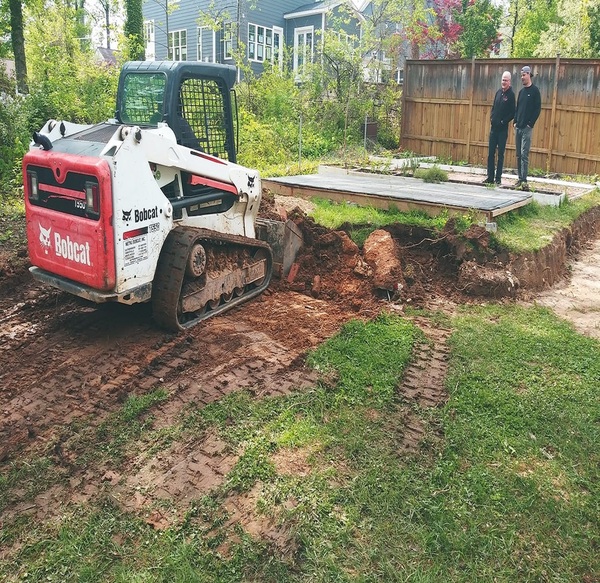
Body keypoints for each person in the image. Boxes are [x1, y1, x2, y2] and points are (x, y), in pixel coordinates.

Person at [483, 71, 515, 185]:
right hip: (494, 129)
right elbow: (493, 107)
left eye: (506, 80)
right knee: (490, 154)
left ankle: (498, 178)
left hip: (502, 130)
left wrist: (503, 121)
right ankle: (490, 177)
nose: (503, 82)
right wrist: (492, 117)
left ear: (509, 82)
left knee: (500, 154)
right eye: (502, 80)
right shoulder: (498, 92)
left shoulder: (511, 95)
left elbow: (512, 113)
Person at [513, 66, 542, 191]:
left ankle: (524, 180)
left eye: (523, 75)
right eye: (521, 75)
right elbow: (517, 108)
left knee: (524, 154)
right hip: (518, 127)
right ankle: (520, 178)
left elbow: (537, 109)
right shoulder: (521, 92)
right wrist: (515, 121)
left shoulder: (535, 91)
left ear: (529, 74)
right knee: (518, 154)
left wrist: (530, 123)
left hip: (527, 128)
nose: (522, 77)